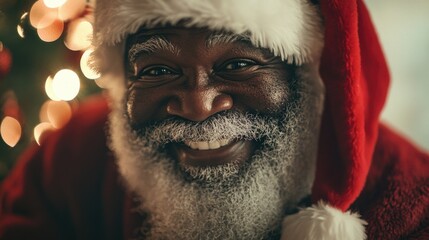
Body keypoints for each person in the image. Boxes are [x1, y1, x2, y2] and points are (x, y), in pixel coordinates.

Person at [1, 0, 428, 239]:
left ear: (308, 78)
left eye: (239, 65)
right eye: (157, 71)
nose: (198, 106)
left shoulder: (408, 195)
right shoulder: (72, 155)